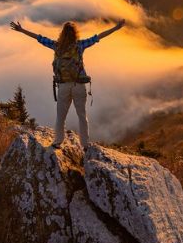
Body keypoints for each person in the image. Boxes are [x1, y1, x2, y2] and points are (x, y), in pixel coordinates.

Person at [10, 19, 125, 149]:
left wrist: (22, 30)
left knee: (61, 116)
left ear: (63, 33)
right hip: (78, 85)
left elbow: (39, 38)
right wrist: (115, 28)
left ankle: (58, 141)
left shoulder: (56, 46)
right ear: (75, 33)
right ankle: (85, 144)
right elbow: (98, 37)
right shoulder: (80, 45)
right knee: (82, 116)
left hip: (63, 85)